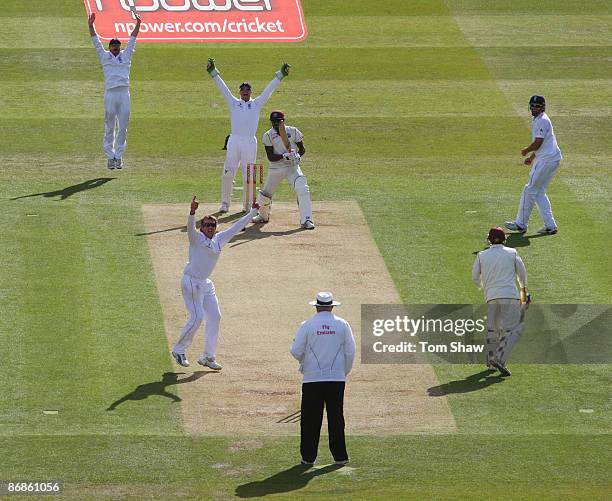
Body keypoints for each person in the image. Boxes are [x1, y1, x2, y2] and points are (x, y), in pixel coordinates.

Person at [171, 196, 258, 371]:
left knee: (215, 317)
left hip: (205, 283)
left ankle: (208, 357)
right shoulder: (195, 238)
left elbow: (236, 228)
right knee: (197, 317)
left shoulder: (219, 239)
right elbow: (189, 228)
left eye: (213, 225)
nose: (210, 227)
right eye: (207, 225)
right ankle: (179, 349)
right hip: (191, 281)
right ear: (201, 227)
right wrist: (192, 212)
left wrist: (253, 212)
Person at [206, 58, 290, 213]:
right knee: (228, 172)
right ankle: (225, 204)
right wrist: (213, 72)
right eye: (242, 90)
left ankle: (247, 205)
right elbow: (223, 89)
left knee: (248, 174)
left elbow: (268, 91)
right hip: (234, 140)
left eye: (247, 91)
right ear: (240, 92)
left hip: (250, 143)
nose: (245, 93)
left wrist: (280, 75)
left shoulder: (257, 104)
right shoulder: (233, 102)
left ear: (250, 92)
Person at [290, 292, 356, 466]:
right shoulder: (342, 324)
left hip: (312, 379)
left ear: (317, 307)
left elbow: (296, 350)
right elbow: (350, 352)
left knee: (310, 419)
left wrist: (304, 363)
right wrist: (343, 372)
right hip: (336, 379)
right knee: (336, 418)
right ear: (332, 306)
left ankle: (308, 457)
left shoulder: (307, 325)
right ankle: (340, 457)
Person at [472, 227, 529, 377]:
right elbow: (522, 274)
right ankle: (500, 358)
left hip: (491, 296)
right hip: (510, 295)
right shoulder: (512, 253)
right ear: (504, 239)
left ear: (489, 240)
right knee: (512, 329)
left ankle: (491, 361)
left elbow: (474, 277)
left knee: (493, 329)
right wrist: (523, 290)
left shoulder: (481, 255)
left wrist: (485, 287)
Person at [88, 12, 141, 170]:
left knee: (123, 126)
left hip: (124, 93)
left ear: (120, 47)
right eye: (113, 47)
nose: (116, 50)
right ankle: (110, 157)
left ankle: (119, 156)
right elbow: (96, 41)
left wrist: (138, 24)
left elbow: (132, 39)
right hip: (111, 93)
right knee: (110, 125)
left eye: (118, 47)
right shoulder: (104, 56)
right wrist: (91, 25)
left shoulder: (127, 55)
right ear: (110, 47)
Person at [505, 95, 562, 235]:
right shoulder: (537, 119)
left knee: (529, 189)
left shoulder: (542, 120)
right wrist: (532, 157)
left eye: (537, 106)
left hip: (546, 161)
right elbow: (544, 144)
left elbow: (538, 142)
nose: (534, 108)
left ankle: (521, 224)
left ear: (543, 107)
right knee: (538, 191)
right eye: (532, 106)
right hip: (552, 159)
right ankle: (550, 225)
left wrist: (526, 150)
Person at [253, 111, 314, 229]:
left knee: (303, 188)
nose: (276, 124)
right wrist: (284, 156)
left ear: (283, 121)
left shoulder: (293, 131)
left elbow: (302, 148)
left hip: (292, 167)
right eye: (273, 122)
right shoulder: (268, 135)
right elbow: (271, 157)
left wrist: (298, 156)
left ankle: (307, 219)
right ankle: (263, 215)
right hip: (276, 168)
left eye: (278, 121)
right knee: (266, 194)